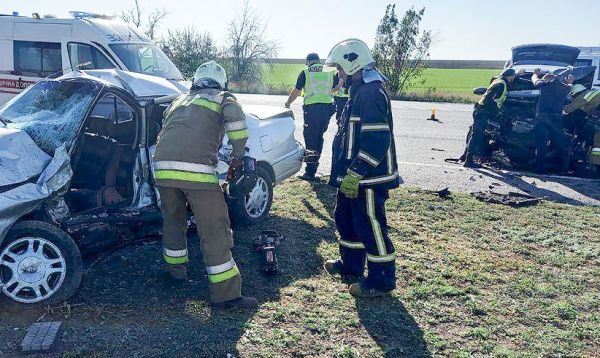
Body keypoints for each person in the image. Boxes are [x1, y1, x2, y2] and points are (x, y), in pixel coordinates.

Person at [152, 60, 257, 308]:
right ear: (220, 83)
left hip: (162, 168)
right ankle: (227, 295)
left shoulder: (178, 101)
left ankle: (175, 273)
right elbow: (238, 126)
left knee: (173, 221)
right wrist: (238, 157)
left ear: (195, 82)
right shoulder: (222, 98)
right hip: (196, 171)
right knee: (214, 228)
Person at [323, 39, 400, 297]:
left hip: (369, 177)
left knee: (370, 224)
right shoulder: (358, 90)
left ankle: (381, 279)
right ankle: (352, 265)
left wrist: (357, 172)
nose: (339, 74)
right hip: (353, 175)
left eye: (340, 69)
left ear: (352, 64)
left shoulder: (370, 93)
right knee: (346, 218)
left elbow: (377, 140)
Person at [285, 53, 338, 181]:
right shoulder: (330, 72)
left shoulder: (305, 71)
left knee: (310, 138)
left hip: (312, 109)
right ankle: (314, 168)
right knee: (319, 136)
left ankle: (310, 172)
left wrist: (288, 103)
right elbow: (335, 88)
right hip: (327, 108)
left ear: (308, 61)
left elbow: (296, 91)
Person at [463, 68, 520, 167]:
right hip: (483, 112)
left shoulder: (499, 80)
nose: (513, 79)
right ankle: (468, 161)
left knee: (476, 135)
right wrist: (495, 113)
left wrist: (518, 75)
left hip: (482, 112)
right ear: (510, 77)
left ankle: (467, 157)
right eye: (513, 77)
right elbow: (489, 99)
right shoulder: (500, 85)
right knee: (477, 136)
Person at [531, 68, 572, 173]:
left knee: (541, 145)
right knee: (559, 144)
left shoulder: (544, 85)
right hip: (556, 119)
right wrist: (569, 82)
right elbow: (569, 85)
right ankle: (561, 169)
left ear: (548, 79)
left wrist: (535, 74)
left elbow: (535, 80)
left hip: (541, 118)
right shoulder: (566, 88)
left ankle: (540, 169)